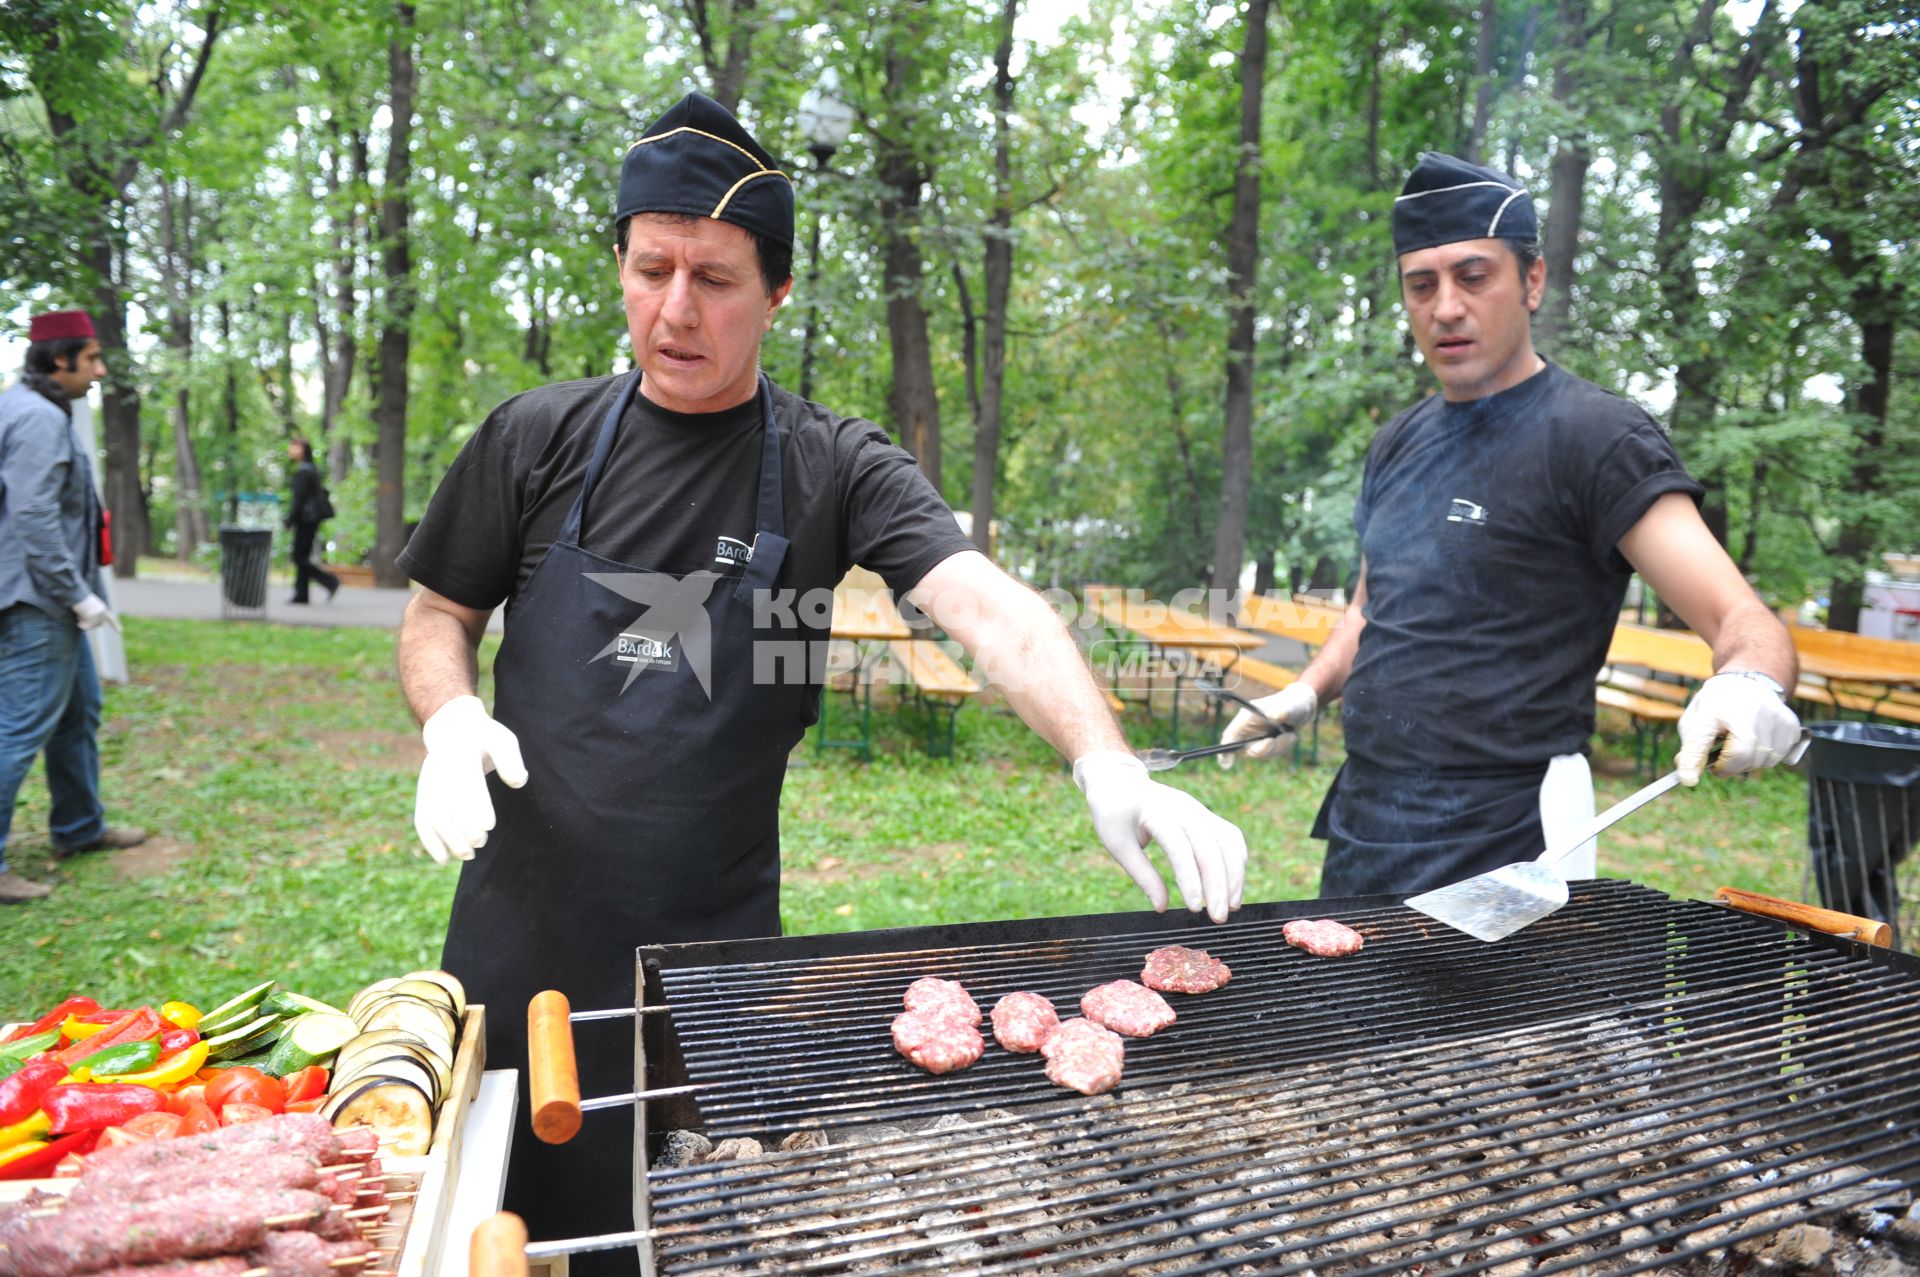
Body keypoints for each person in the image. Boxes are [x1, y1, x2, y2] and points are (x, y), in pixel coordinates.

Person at [394, 93, 1248, 1267]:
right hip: (514, 945)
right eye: (651, 270)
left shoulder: (832, 466)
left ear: (780, 292)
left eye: (717, 278)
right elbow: (438, 612)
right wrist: (449, 715)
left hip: (709, 974)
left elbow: (987, 605)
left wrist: (1108, 758)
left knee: (679, 1236)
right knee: (493, 1237)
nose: (675, 310)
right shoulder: (534, 437)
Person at [1219, 152, 1802, 898]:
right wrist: (1304, 693)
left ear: (1532, 280)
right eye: (1421, 284)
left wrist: (1750, 682)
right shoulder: (1398, 440)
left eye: (1473, 276)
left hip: (1512, 838)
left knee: (1504, 1022)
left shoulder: (1595, 438)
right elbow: (1372, 608)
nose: (1446, 307)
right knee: (1355, 1014)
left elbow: (1741, 617)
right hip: (1368, 821)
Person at [0, 309, 148, 903]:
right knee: (18, 731)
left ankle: (79, 827)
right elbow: (34, 515)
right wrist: (76, 593)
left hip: (49, 600)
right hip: (40, 602)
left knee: (78, 711)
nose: (99, 370)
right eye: (90, 358)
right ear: (58, 359)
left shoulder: (32, 408)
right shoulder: (36, 417)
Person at [284, 437, 339, 604]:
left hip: (306, 519)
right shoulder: (309, 469)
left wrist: (289, 519)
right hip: (310, 519)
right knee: (302, 556)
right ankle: (302, 594)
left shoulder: (304, 471)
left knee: (299, 557)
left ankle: (330, 581)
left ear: (301, 448)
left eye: (292, 445)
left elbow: (299, 500)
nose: (289, 449)